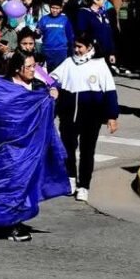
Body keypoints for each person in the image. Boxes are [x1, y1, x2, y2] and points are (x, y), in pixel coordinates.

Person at [50, 32, 119, 203]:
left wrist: (112, 116)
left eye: (80, 47)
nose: (77, 50)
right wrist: (54, 87)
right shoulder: (68, 62)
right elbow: (52, 78)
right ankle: (71, 179)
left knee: (87, 152)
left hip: (91, 116)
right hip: (69, 115)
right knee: (67, 148)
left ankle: (84, 186)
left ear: (89, 47)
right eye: (75, 46)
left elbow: (110, 92)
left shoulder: (100, 65)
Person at [1, 49, 58, 242]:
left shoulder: (38, 88)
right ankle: (11, 225)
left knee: (26, 186)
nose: (34, 70)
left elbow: (47, 114)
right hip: (9, 147)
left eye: (35, 66)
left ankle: (17, 220)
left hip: (31, 148)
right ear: (18, 68)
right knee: (12, 186)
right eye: (30, 66)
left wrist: (52, 97)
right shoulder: (5, 86)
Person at [36, 0, 73, 69]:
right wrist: (37, 33)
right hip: (47, 51)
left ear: (61, 9)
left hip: (61, 51)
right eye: (53, 7)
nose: (55, 10)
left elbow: (70, 37)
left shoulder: (65, 20)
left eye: (57, 8)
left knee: (60, 73)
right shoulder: (44, 19)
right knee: (48, 74)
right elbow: (38, 35)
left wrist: (71, 50)